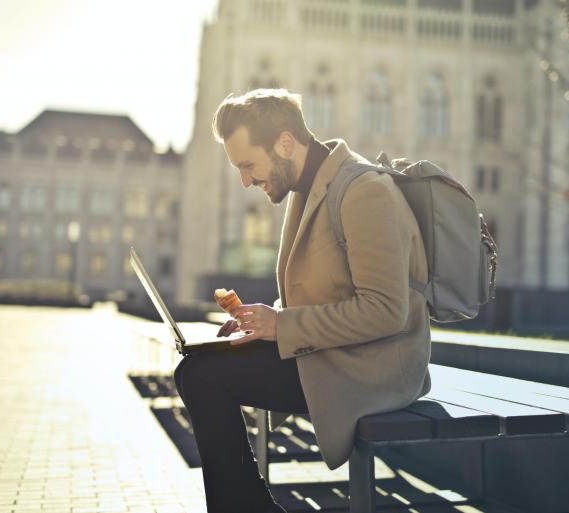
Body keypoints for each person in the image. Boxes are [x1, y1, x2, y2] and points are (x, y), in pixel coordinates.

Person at [173, 88, 432, 513]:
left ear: (286, 144)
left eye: (248, 165)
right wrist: (262, 321)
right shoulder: (309, 190)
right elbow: (324, 292)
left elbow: (386, 310)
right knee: (198, 369)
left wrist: (282, 326)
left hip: (375, 369)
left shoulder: (366, 190)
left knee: (203, 376)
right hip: (336, 355)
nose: (245, 180)